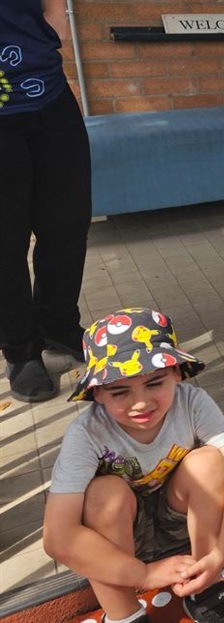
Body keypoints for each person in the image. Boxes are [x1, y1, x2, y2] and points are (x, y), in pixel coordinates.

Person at [43, 308, 224, 623]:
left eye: (154, 383)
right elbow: (58, 537)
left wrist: (218, 556)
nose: (141, 403)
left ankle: (205, 584)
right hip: (120, 538)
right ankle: (124, 615)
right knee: (105, 495)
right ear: (97, 393)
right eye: (119, 391)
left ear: (175, 373)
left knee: (209, 462)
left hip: (182, 520)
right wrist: (142, 575)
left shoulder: (191, 402)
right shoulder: (87, 433)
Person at [0, 0, 92, 402]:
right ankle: (20, 349)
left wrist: (50, 35)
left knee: (67, 224)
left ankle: (59, 325)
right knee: (5, 242)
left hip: (50, 100)